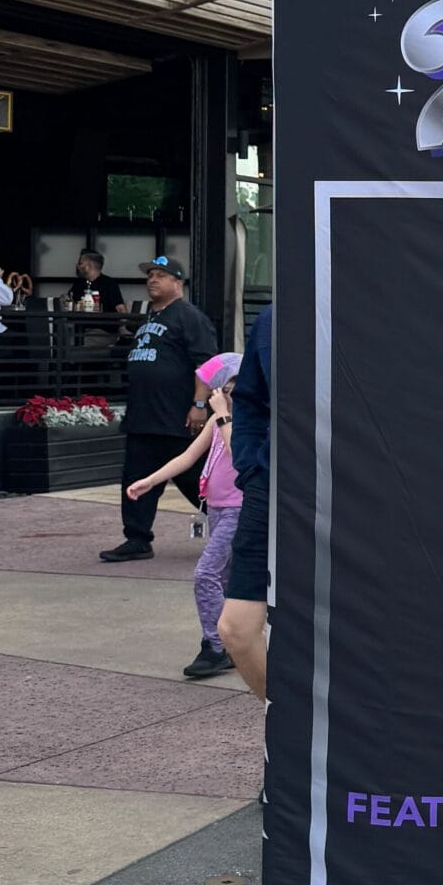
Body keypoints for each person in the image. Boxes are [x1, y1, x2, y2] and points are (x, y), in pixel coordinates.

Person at [126, 354, 243, 678]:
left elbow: (240, 458)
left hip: (240, 511)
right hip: (218, 510)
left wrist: (222, 418)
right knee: (224, 579)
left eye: (234, 389)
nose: (227, 394)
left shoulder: (247, 423)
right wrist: (151, 480)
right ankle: (233, 642)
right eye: (225, 388)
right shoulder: (217, 422)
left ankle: (216, 645)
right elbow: (188, 456)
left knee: (206, 574)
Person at [102, 257, 218, 562]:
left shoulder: (189, 317)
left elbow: (206, 365)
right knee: (135, 480)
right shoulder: (150, 319)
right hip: (143, 418)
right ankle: (137, 539)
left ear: (177, 283)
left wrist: (199, 405)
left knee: (195, 479)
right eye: (150, 275)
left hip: (177, 418)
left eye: (161, 275)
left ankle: (237, 529)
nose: (152, 280)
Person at [217, 303, 271, 702]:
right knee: (234, 628)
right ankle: (292, 721)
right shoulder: (273, 318)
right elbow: (249, 399)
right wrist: (253, 469)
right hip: (274, 486)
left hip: (366, 492)